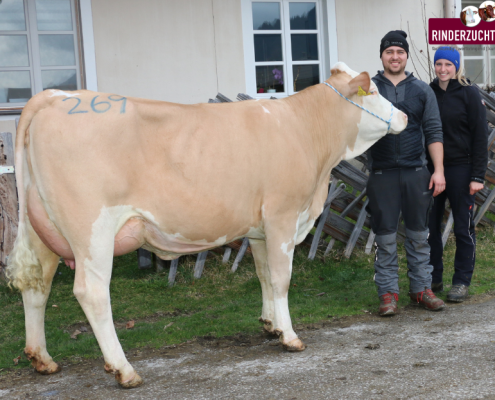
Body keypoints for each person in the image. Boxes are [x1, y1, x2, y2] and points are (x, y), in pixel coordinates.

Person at [367, 30, 446, 316]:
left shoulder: (422, 90)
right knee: (385, 238)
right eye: (390, 52)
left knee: (418, 235)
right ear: (382, 55)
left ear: (406, 56)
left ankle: (421, 290)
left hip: (416, 172)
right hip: (382, 174)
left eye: (400, 52)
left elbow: (434, 132)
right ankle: (388, 294)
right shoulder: (371, 89)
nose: (395, 56)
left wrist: (438, 171)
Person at [427, 46, 488, 302]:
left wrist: (477, 175)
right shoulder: (427, 92)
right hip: (432, 169)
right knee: (430, 227)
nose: (442, 69)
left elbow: (479, 137)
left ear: (456, 66)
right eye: (439, 64)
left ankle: (462, 281)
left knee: (463, 228)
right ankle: (434, 278)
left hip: (462, 169)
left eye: (448, 65)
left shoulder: (469, 93)